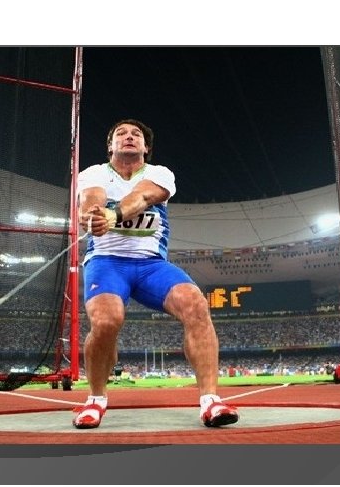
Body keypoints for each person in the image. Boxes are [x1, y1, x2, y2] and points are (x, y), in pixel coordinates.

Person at [73, 119, 239, 429]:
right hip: (107, 262)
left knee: (196, 304)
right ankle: (95, 399)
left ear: (146, 147)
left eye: (136, 134)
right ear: (110, 145)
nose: (129, 137)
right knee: (107, 321)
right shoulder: (93, 172)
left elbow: (144, 197)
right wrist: (92, 215)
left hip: (151, 265)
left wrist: (113, 214)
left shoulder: (160, 173)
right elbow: (91, 198)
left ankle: (211, 401)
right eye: (121, 133)